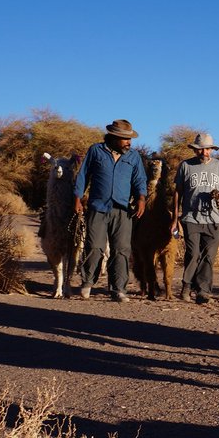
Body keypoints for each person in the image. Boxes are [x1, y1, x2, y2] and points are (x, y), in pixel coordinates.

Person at [74, 119, 147, 302]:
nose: (129, 142)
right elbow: (83, 175)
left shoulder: (134, 156)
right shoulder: (96, 150)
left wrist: (141, 198)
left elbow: (139, 179)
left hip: (122, 209)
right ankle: (87, 283)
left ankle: (118, 289)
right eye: (125, 138)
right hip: (98, 207)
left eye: (130, 139)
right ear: (114, 137)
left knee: (121, 249)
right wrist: (77, 198)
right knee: (94, 246)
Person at [173, 133, 219, 304]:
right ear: (195, 150)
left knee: (209, 256)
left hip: (214, 218)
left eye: (207, 149)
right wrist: (175, 218)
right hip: (191, 217)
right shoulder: (185, 166)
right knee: (193, 253)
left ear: (212, 149)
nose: (204, 152)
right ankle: (186, 286)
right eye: (200, 149)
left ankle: (203, 291)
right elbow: (178, 192)